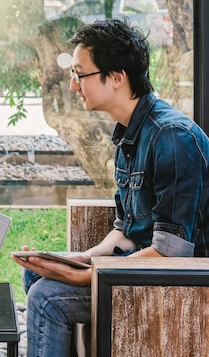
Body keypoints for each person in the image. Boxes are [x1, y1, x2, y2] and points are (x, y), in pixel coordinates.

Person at [12, 18, 209, 357]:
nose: (74, 86)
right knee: (36, 278)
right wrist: (80, 260)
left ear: (117, 77)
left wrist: (84, 277)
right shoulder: (129, 133)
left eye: (80, 73)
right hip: (145, 269)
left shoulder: (172, 138)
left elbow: (171, 255)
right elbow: (127, 231)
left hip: (184, 286)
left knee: (48, 299)